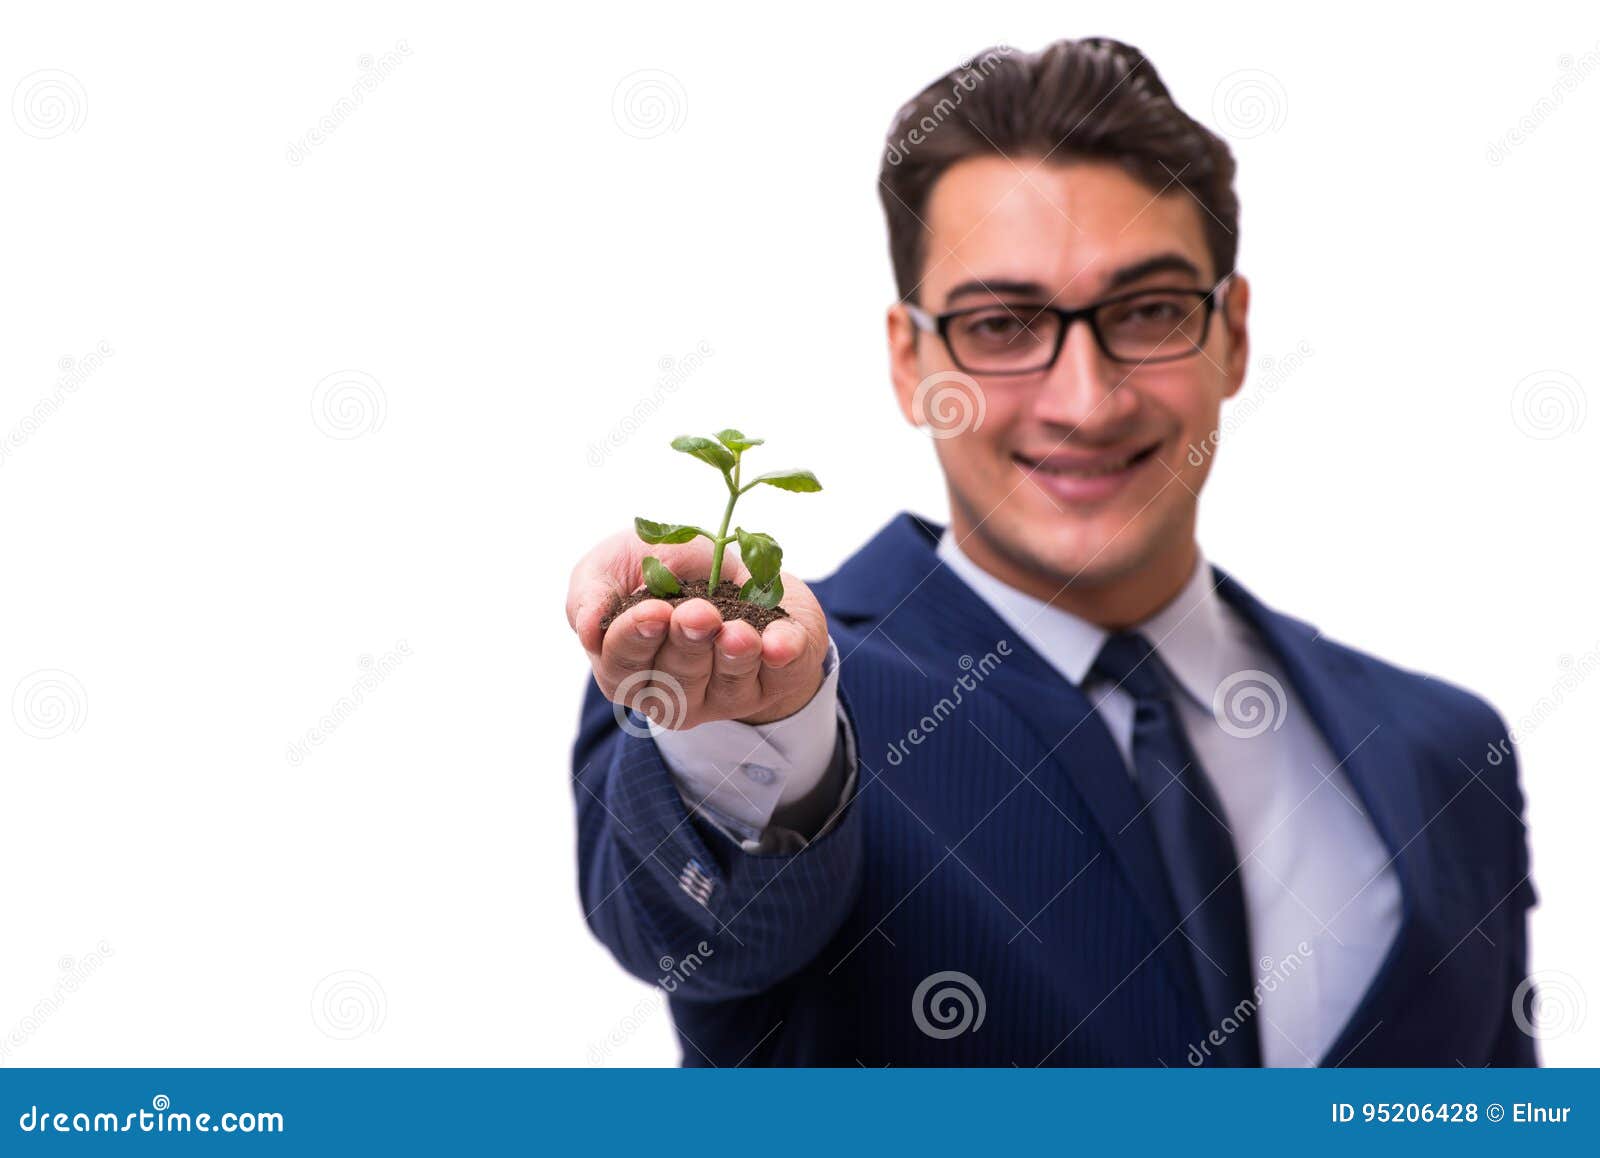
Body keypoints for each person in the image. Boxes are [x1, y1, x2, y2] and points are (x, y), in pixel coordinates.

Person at [566, 37, 1536, 1066]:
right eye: (1000, 324)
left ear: (1234, 334)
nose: (1085, 399)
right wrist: (766, 732)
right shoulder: (773, 697)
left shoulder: (1438, 750)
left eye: (1151, 311)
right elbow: (712, 936)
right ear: (909, 359)